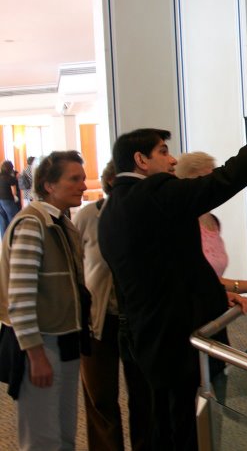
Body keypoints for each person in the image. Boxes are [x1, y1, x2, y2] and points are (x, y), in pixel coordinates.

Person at [97, 70, 247, 451]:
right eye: (164, 152)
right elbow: (227, 178)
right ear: (140, 160)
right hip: (175, 338)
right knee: (181, 428)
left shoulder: (111, 208)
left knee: (153, 425)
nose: (173, 161)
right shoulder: (155, 193)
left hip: (141, 337)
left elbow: (173, 263)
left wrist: (219, 294)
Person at [0, 151, 89, 450]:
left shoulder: (61, 223)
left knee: (63, 434)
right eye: (74, 179)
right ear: (49, 185)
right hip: (40, 345)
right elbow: (20, 296)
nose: (83, 186)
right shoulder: (32, 224)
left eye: (83, 178)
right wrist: (35, 355)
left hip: (65, 340)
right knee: (42, 438)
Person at [75, 160, 151, 451]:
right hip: (99, 319)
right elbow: (78, 264)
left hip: (137, 320)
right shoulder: (86, 217)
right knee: (100, 399)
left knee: (144, 397)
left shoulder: (148, 218)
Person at [175, 151, 247, 302]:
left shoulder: (213, 222)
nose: (213, 186)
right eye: (206, 179)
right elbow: (199, 279)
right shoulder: (183, 225)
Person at [0, 160, 21, 236]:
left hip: (0, 201)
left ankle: (4, 239)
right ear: (10, 168)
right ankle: (13, 237)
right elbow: (14, 192)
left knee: (2, 221)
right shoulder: (10, 178)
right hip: (8, 200)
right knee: (13, 218)